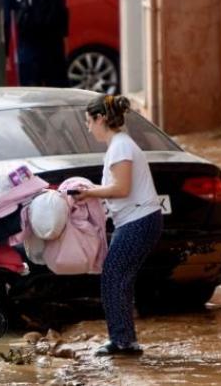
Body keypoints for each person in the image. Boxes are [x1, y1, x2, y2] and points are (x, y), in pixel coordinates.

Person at [72, 94, 163, 356]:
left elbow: (121, 188)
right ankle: (125, 340)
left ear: (101, 119)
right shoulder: (120, 145)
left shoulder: (120, 146)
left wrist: (89, 192)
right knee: (119, 278)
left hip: (139, 221)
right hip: (137, 221)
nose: (89, 128)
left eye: (89, 122)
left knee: (113, 277)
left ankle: (123, 342)